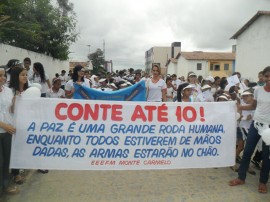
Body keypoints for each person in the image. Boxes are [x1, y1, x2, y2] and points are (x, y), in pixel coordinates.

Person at [229, 66, 270, 194]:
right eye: (267, 76)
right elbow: (254, 105)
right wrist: (238, 106)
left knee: (266, 156)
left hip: (268, 128)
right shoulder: (258, 90)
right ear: (263, 77)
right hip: (255, 125)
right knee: (247, 152)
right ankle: (241, 178)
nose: (269, 79)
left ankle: (263, 181)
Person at [0, 66, 20, 195]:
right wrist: (3, 125)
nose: (2, 78)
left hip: (8, 129)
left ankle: (5, 185)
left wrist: (15, 100)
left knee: (7, 159)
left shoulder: (8, 91)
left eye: (3, 76)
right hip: (4, 128)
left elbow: (11, 110)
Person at [9, 66, 29, 184]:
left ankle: (22, 167)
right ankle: (15, 174)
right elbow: (10, 110)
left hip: (25, 124)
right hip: (13, 125)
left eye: (26, 74)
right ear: (16, 77)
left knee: (23, 147)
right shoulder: (10, 91)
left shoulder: (28, 91)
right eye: (22, 75)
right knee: (14, 148)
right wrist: (15, 99)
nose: (25, 77)